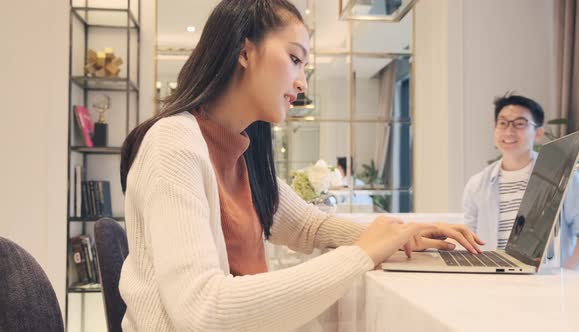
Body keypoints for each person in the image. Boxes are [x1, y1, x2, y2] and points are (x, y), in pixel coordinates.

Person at [118, 1, 483, 331]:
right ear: (245, 52)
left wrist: (404, 234)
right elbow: (203, 310)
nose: (302, 82)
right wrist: (362, 254)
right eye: (295, 59)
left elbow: (309, 226)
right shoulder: (173, 144)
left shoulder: (242, 151)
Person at [462, 93, 579, 269]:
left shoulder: (563, 175)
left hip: (548, 283)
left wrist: (567, 275)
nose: (509, 131)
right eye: (503, 123)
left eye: (520, 123)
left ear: (538, 133)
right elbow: (469, 241)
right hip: (493, 282)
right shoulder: (476, 184)